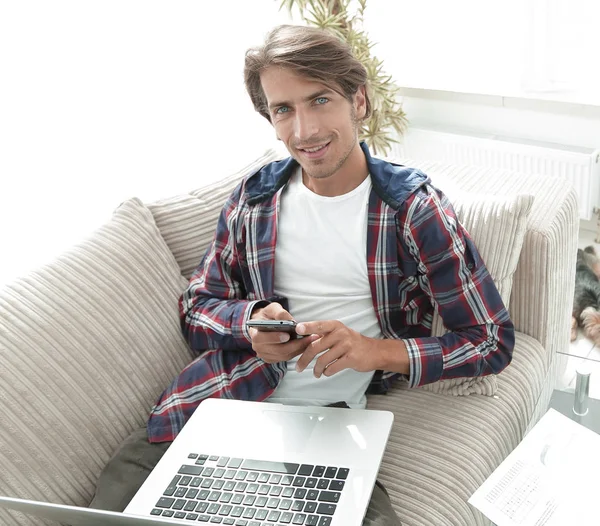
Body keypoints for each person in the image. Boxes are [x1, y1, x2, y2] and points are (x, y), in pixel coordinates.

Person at [90, 24, 515, 525]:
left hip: (326, 424)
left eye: (319, 100)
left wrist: (374, 351)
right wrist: (249, 326)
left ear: (358, 101)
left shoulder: (414, 211)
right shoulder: (254, 199)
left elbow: (490, 341)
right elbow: (197, 307)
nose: (304, 131)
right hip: (218, 400)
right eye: (283, 110)